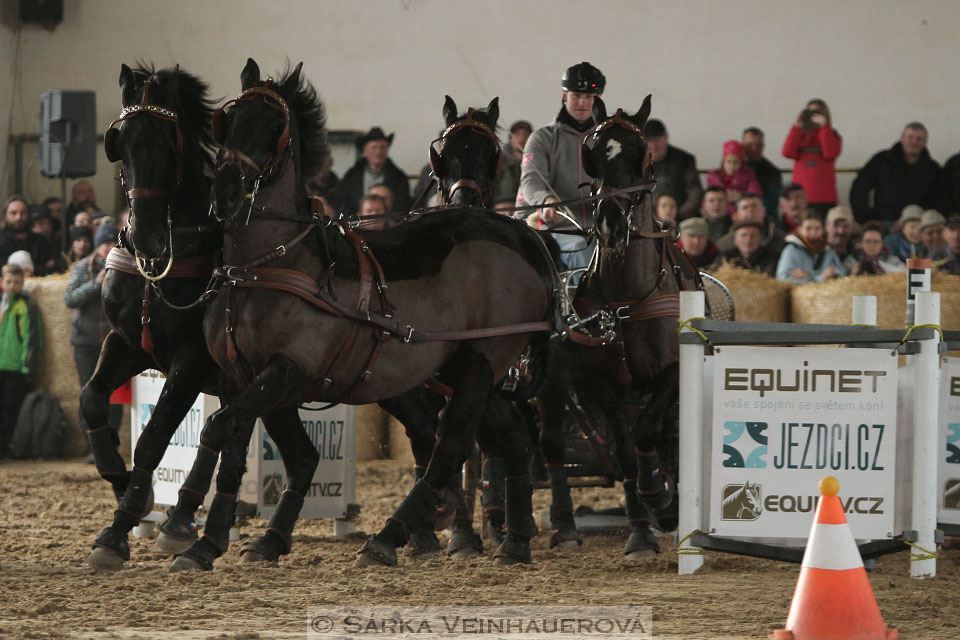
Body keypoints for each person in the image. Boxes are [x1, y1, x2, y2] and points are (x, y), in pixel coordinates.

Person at [517, 61, 606, 269]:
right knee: (580, 250)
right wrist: (546, 200)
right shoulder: (542, 138)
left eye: (589, 96)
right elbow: (531, 181)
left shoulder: (606, 140)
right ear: (565, 95)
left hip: (599, 231)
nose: (582, 102)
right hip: (552, 230)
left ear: (598, 98)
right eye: (576, 95)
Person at [64, 221, 122, 460]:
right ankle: (92, 446)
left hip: (114, 341)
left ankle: (110, 445)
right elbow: (70, 298)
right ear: (97, 246)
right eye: (105, 243)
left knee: (115, 395)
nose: (109, 247)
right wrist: (95, 285)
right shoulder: (82, 267)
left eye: (113, 242)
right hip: (86, 343)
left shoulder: (124, 267)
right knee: (88, 393)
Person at [850, 122, 943, 226]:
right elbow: (860, 188)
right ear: (902, 138)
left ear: (925, 142)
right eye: (910, 137)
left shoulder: (933, 169)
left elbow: (939, 200)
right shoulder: (882, 160)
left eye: (919, 139)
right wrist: (864, 220)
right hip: (884, 223)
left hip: (919, 225)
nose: (914, 142)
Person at [0, 263, 41, 458]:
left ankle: (5, 446)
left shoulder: (27, 306)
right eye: (9, 281)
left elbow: (31, 340)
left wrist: (28, 368)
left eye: (17, 282)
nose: (12, 286)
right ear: (2, 282)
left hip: (15, 367)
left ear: (23, 283)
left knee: (10, 409)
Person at [781, 99, 842, 216]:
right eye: (810, 112)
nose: (813, 116)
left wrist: (824, 127)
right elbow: (787, 153)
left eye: (818, 113)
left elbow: (829, 153)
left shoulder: (833, 135)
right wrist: (797, 126)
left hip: (825, 197)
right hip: (800, 198)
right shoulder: (800, 134)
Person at [340, 127, 411, 216]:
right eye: (374, 147)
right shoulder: (351, 176)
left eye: (382, 147)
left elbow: (403, 207)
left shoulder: (399, 177)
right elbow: (343, 203)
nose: (378, 152)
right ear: (365, 151)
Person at [643, 118, 703, 221]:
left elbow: (695, 192)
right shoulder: (634, 161)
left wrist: (677, 215)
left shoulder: (685, 160)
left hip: (681, 218)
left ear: (666, 138)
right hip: (643, 220)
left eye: (657, 140)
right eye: (649, 141)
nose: (654, 145)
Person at [776, 210, 845, 283]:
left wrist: (808, 275)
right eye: (808, 228)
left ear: (822, 229)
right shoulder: (791, 250)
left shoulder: (828, 250)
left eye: (817, 228)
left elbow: (842, 274)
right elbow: (782, 278)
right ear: (800, 230)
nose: (813, 232)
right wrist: (819, 278)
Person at [715, 192, 787, 257]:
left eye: (754, 206)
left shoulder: (783, 240)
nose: (750, 210)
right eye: (745, 207)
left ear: (764, 210)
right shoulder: (724, 244)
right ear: (737, 214)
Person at [0, 196, 57, 276]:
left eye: (23, 212)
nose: (18, 217)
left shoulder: (40, 241)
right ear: (5, 216)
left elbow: (55, 267)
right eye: (13, 213)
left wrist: (34, 270)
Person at [706, 140, 761, 215]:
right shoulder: (713, 175)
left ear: (741, 163)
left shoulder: (748, 174)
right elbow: (707, 198)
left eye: (736, 162)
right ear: (723, 162)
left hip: (742, 213)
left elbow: (756, 195)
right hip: (718, 213)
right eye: (729, 162)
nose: (732, 166)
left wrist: (740, 196)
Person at [710, 220, 779, 277]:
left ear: (761, 239)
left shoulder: (772, 258)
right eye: (744, 235)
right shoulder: (725, 257)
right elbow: (713, 274)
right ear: (735, 240)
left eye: (753, 235)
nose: (748, 239)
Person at [742, 127, 783, 217]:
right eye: (749, 145)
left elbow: (772, 203)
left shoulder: (772, 172)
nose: (754, 148)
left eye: (758, 145)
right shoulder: (732, 167)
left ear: (763, 146)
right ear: (742, 144)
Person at [495, 120, 532, 204]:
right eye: (517, 134)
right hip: (503, 205)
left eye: (525, 135)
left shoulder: (538, 162)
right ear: (510, 139)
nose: (521, 138)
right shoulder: (499, 161)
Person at [824, 205, 856, 272]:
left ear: (852, 228)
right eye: (836, 225)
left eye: (845, 226)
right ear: (827, 226)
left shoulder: (858, 253)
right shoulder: (816, 252)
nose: (841, 231)